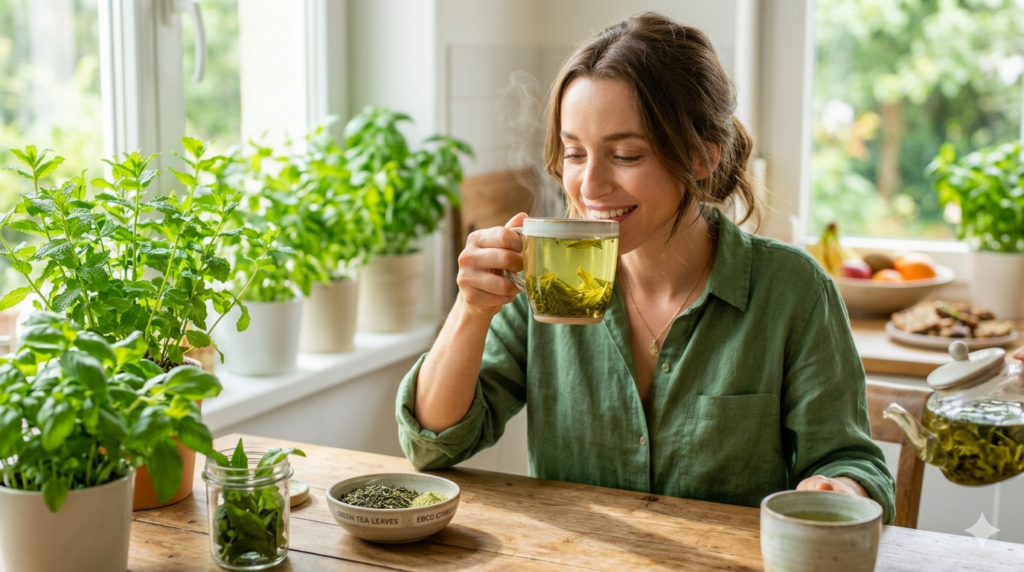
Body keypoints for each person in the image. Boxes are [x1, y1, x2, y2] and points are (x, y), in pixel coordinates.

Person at [395, 13, 896, 522]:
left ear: (700, 157)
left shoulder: (792, 291)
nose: (589, 186)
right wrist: (471, 310)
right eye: (574, 153)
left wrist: (839, 488)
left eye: (626, 155)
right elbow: (434, 446)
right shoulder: (548, 277)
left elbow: (850, 460)